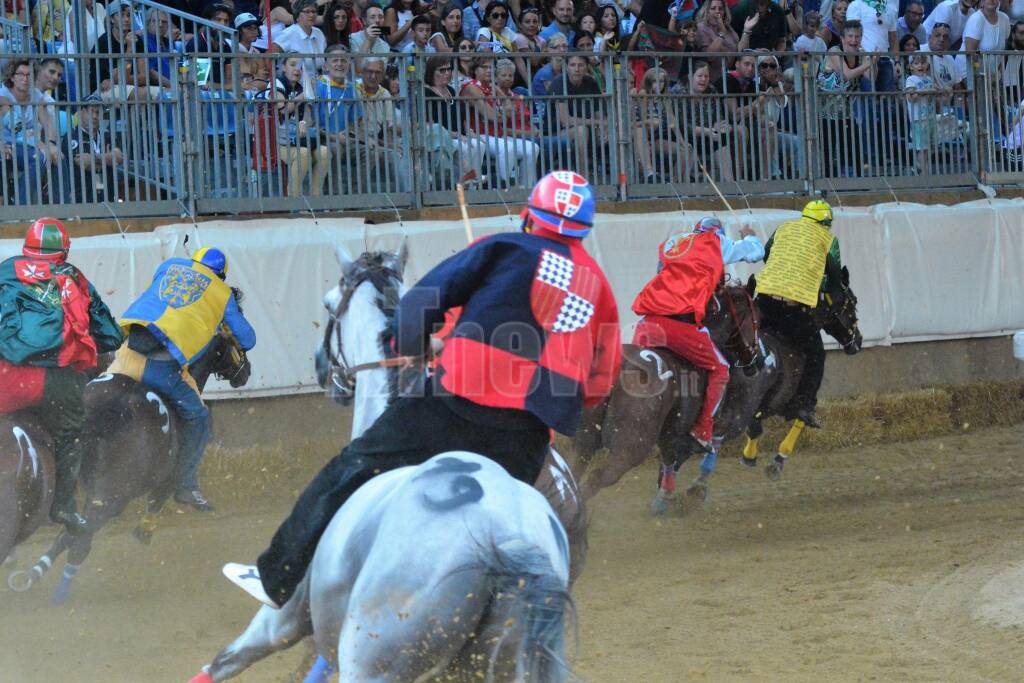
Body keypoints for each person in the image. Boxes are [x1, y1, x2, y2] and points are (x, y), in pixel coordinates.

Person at [224, 171, 621, 608]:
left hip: (453, 405)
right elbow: (600, 382)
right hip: (526, 438)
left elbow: (421, 301)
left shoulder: (503, 247)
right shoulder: (597, 284)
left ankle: (275, 579)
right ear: (585, 229)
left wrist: (408, 345)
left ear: (529, 216)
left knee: (351, 468)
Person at [0, 218, 123, 534]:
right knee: (72, 432)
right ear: (64, 251)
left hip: (5, 379)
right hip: (53, 383)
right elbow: (110, 336)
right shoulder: (73, 277)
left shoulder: (4, 271)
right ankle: (64, 507)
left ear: (25, 247)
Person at [113, 248, 256, 511]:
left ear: (194, 262)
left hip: (124, 358)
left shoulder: (169, 266)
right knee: (199, 418)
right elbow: (247, 339)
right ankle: (186, 485)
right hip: (160, 368)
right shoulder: (222, 293)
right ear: (221, 275)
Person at [632, 217, 765, 453]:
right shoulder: (715, 242)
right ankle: (703, 429)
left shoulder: (672, 243)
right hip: (678, 326)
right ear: (717, 233)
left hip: (646, 324)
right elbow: (755, 252)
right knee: (721, 369)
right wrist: (748, 235)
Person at [754, 199, 845, 429]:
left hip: (762, 303)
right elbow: (834, 280)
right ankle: (803, 404)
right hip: (791, 312)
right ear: (826, 223)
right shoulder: (829, 240)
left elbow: (767, 256)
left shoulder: (783, 228)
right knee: (816, 354)